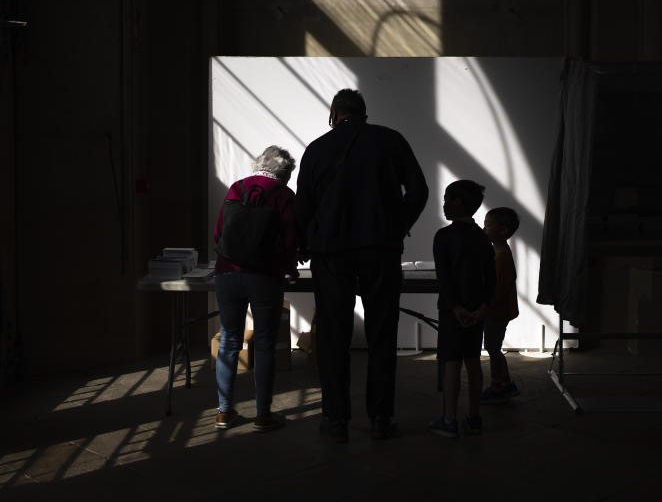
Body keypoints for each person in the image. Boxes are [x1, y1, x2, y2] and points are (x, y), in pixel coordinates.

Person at [295, 89, 428, 442]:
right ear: (364, 113)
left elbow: (303, 205)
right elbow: (418, 191)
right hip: (380, 251)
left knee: (332, 336)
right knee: (382, 335)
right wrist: (395, 227)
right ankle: (381, 418)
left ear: (334, 113)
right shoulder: (390, 140)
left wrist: (310, 240)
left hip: (331, 253)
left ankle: (336, 419)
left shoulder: (317, 149)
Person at [212, 145, 299, 432]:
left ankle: (224, 412)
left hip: (227, 274)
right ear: (285, 172)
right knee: (264, 345)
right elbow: (289, 239)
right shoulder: (284, 195)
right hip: (264, 277)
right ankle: (263, 415)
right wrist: (288, 266)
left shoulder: (237, 187)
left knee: (229, 342)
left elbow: (218, 233)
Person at [429, 179, 495, 438]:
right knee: (473, 362)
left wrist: (455, 307)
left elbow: (444, 278)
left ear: (457, 203)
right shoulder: (482, 238)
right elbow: (491, 278)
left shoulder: (444, 237)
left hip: (452, 312)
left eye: (447, 199)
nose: (444, 205)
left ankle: (449, 419)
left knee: (452, 364)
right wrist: (483, 307)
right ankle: (475, 417)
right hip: (476, 311)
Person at [480, 207, 521, 404]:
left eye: (488, 225)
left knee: (493, 348)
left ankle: (498, 385)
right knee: (494, 347)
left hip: (496, 312)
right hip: (500, 310)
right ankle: (506, 383)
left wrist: (484, 307)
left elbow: (498, 290)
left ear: (503, 230)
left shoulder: (501, 257)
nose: (483, 228)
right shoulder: (501, 252)